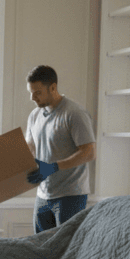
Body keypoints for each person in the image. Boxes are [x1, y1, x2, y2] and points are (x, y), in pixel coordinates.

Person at [23, 65, 95, 233]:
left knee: (65, 251)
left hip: (70, 195)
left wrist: (53, 167)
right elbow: (31, 147)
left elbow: (89, 151)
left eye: (38, 92)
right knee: (40, 249)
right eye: (30, 92)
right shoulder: (34, 115)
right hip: (43, 195)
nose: (33, 98)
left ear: (53, 88)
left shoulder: (74, 113)